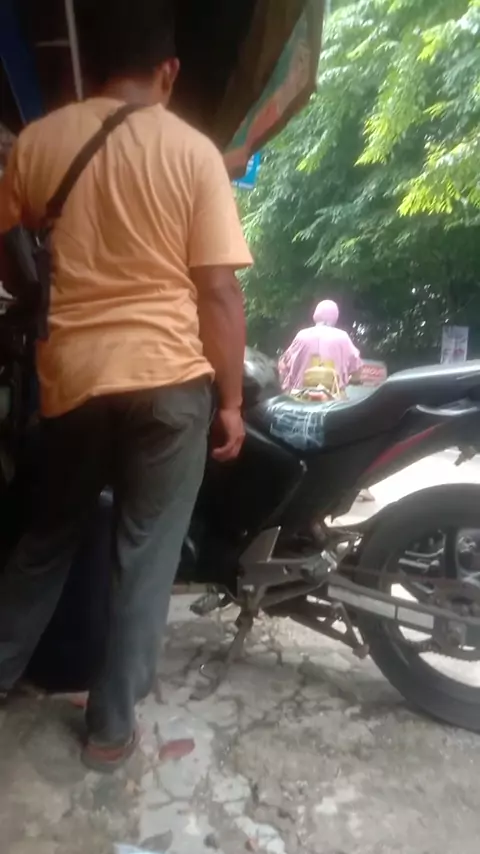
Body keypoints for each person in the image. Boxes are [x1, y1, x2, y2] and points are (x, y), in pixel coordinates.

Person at [0, 0, 251, 771]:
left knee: (46, 541)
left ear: (94, 70)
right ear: (167, 72)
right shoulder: (194, 153)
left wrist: (36, 285)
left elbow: (8, 247)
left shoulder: (40, 141)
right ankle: (110, 731)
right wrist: (232, 403)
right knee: (146, 557)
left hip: (73, 381)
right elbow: (218, 292)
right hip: (170, 383)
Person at [279, 299, 362, 393]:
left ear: (315, 315)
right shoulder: (343, 337)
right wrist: (352, 381)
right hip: (333, 397)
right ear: (336, 316)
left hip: (301, 395)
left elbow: (283, 364)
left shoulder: (301, 335)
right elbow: (357, 369)